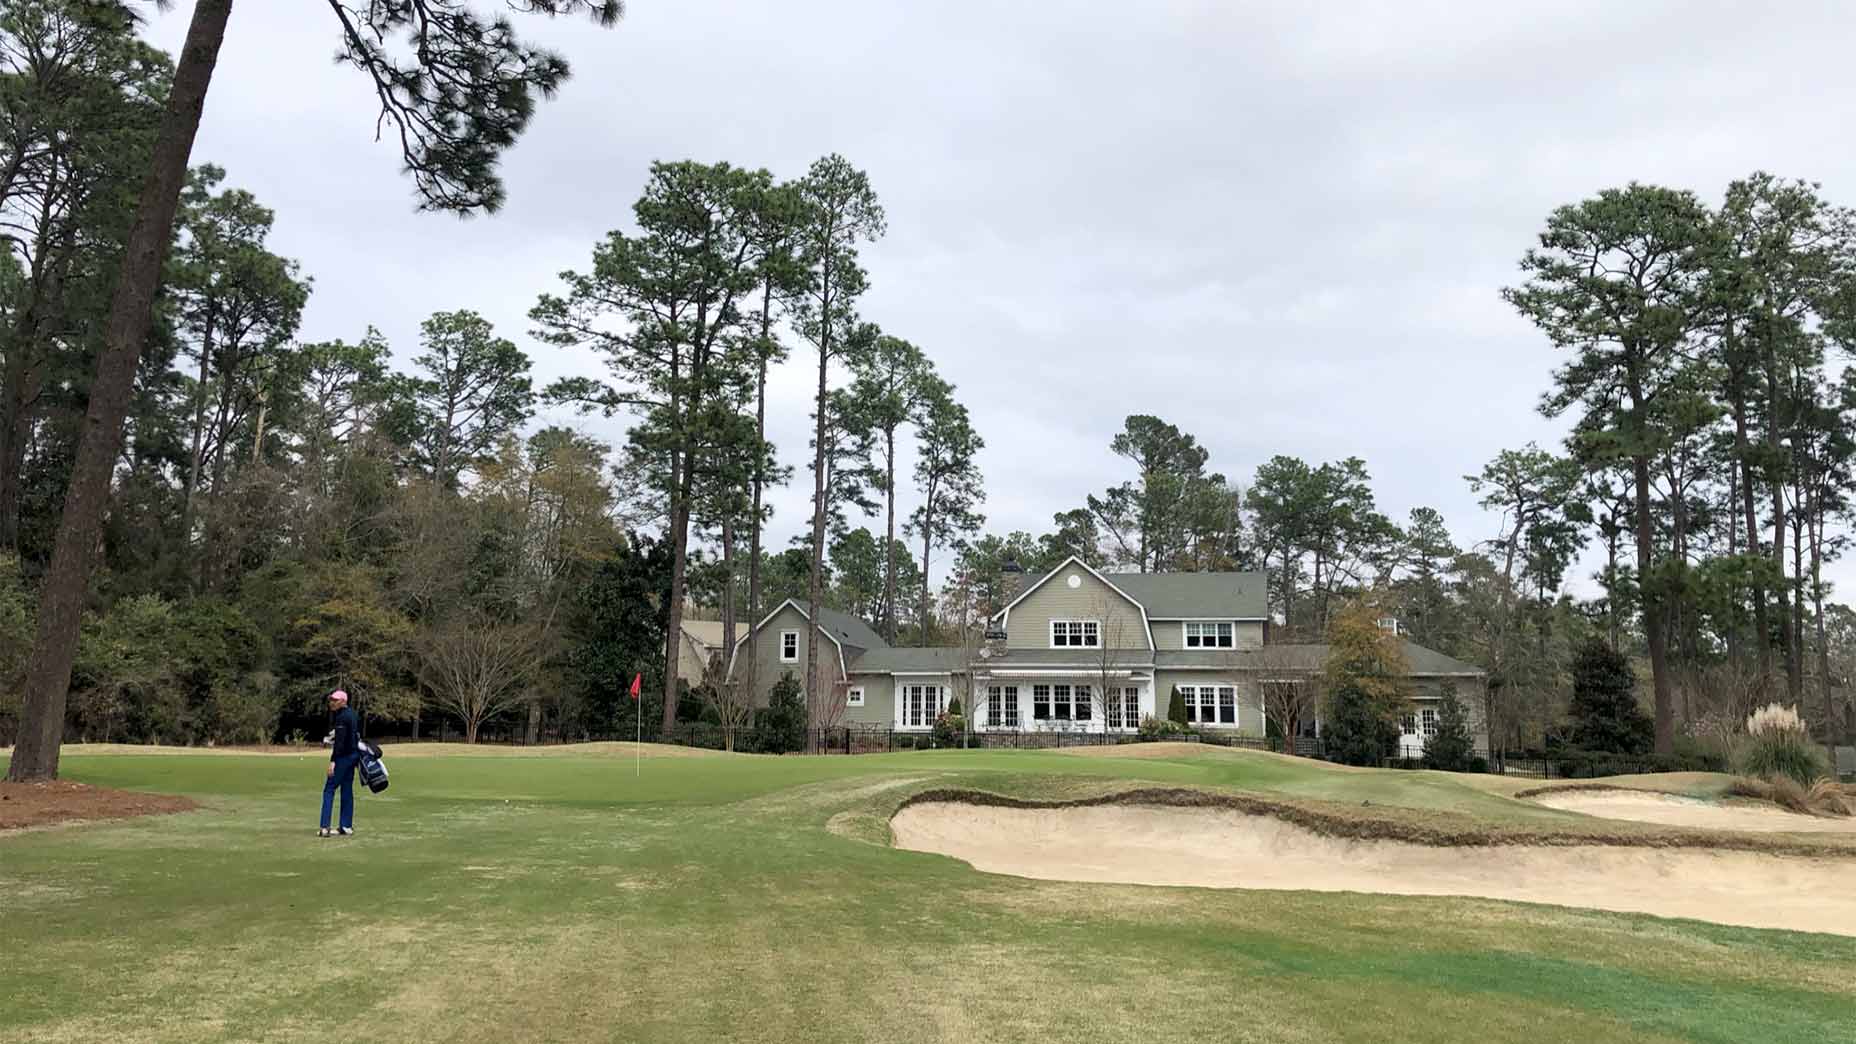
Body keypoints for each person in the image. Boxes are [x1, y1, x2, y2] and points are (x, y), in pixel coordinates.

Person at [319, 689, 361, 838]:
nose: (332, 703)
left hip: (343, 757)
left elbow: (340, 744)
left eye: (335, 700)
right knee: (347, 789)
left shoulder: (342, 717)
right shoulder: (352, 714)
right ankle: (346, 826)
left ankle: (324, 827)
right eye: (331, 700)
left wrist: (333, 761)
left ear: (343, 701)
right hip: (353, 756)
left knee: (329, 789)